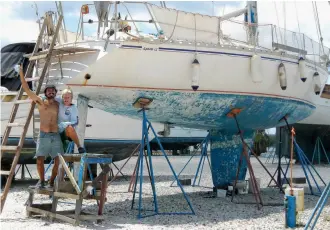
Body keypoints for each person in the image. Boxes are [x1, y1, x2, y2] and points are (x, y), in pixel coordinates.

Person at [19, 65, 63, 188]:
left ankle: (51, 182)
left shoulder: (58, 104)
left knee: (58, 161)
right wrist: (21, 73)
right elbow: (27, 89)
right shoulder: (40, 101)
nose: (51, 92)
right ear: (45, 92)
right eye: (48, 90)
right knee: (39, 159)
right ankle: (42, 181)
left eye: (53, 90)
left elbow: (69, 100)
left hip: (55, 135)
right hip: (43, 135)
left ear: (55, 92)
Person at [56, 87, 86, 153]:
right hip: (56, 130)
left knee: (70, 128)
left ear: (71, 98)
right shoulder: (59, 101)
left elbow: (75, 122)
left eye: (68, 97)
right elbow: (50, 97)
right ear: (62, 97)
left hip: (65, 131)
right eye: (64, 97)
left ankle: (79, 146)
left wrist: (64, 124)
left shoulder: (73, 108)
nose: (66, 99)